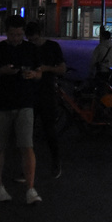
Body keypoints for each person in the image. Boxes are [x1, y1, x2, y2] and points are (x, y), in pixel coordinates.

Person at [0, 15, 42, 204]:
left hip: (24, 103)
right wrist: (1, 72)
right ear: (6, 33)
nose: (16, 38)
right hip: (0, 104)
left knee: (27, 145)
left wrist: (33, 74)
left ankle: (30, 189)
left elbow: (40, 73)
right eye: (12, 35)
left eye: (19, 34)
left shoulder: (30, 49)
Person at [24, 19, 67, 179]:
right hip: (30, 93)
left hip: (47, 93)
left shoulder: (52, 47)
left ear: (40, 35)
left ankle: (56, 162)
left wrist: (46, 68)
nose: (32, 42)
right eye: (30, 40)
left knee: (49, 130)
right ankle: (27, 167)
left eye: (34, 39)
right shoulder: (27, 48)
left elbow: (62, 69)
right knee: (27, 132)